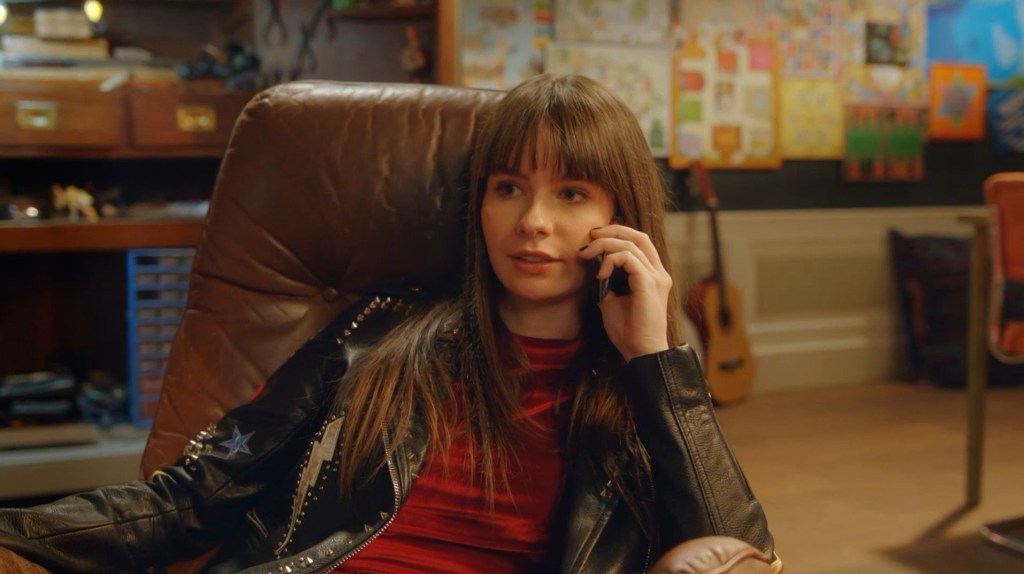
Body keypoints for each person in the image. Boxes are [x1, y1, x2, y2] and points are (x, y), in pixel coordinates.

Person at [0, 74, 778, 573]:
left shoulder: (642, 388)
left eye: (571, 193)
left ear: (621, 217)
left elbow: (739, 552)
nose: (533, 221)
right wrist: (20, 535)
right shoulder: (375, 333)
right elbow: (195, 492)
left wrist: (654, 360)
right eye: (509, 187)